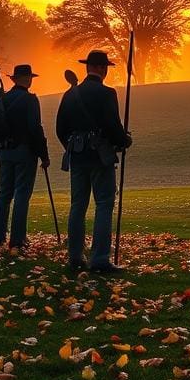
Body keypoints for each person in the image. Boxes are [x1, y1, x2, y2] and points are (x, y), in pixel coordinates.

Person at [56, 50, 132, 274]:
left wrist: (73, 146)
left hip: (77, 156)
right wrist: (124, 140)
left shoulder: (71, 94)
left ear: (88, 67)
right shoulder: (107, 93)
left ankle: (75, 256)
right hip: (100, 157)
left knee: (77, 206)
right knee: (104, 204)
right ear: (102, 68)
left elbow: (60, 129)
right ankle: (99, 258)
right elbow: (111, 125)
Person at [0, 63, 50, 251]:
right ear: (26, 79)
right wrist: (44, 155)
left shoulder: (3, 99)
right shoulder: (30, 100)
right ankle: (18, 239)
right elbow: (35, 129)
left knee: (4, 194)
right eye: (30, 77)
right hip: (24, 152)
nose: (31, 80)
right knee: (22, 194)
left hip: (4, 151)